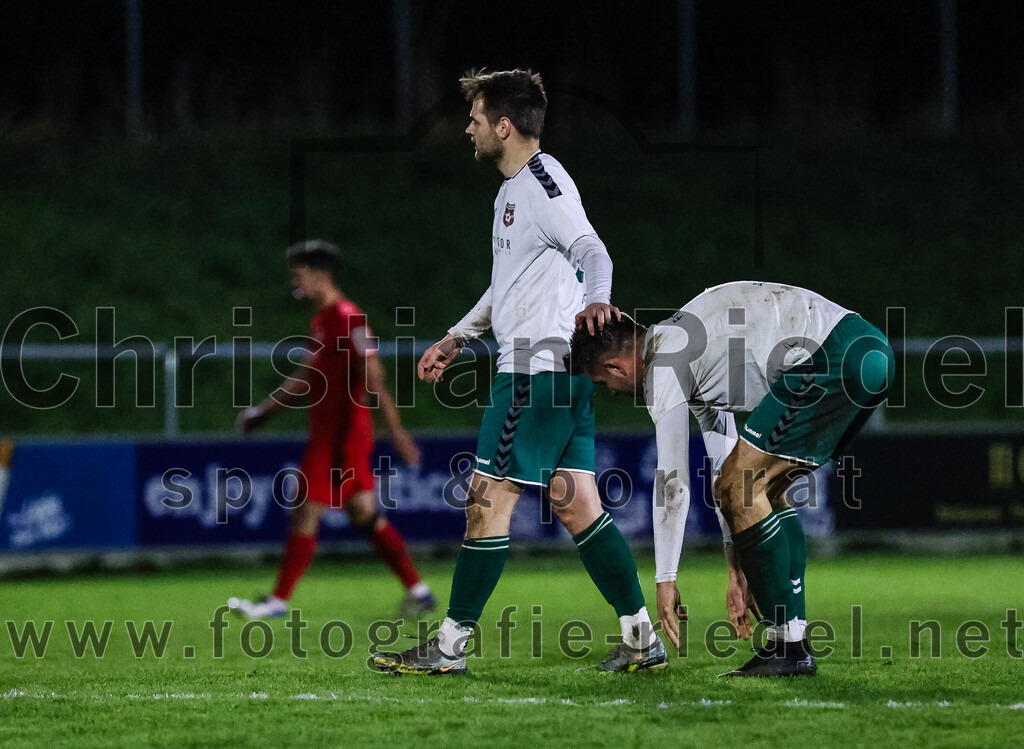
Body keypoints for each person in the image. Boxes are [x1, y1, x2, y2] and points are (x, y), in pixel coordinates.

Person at [371, 69, 665, 675]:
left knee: (487, 499)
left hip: (535, 372)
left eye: (476, 118)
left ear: (505, 126)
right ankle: (641, 636)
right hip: (560, 375)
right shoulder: (513, 192)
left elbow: (593, 251)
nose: (468, 127)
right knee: (575, 501)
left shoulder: (543, 180)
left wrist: (597, 301)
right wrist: (458, 335)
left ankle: (448, 646)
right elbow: (508, 285)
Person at [566, 280, 895, 677]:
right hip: (869, 349)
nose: (613, 392)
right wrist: (736, 568)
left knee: (743, 487)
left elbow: (673, 482)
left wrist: (665, 580)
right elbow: (726, 475)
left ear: (614, 366)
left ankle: (788, 647)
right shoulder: (689, 344)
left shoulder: (664, 364)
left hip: (830, 358)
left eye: (605, 384)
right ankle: (793, 640)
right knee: (765, 491)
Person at [229, 240, 433, 620]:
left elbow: (373, 375)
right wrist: (264, 413)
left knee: (303, 510)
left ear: (319, 273)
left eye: (298, 274)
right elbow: (308, 379)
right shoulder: (323, 320)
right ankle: (418, 590)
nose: (294, 282)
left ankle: (277, 602)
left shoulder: (347, 317)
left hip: (343, 435)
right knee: (363, 515)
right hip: (334, 434)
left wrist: (396, 430)